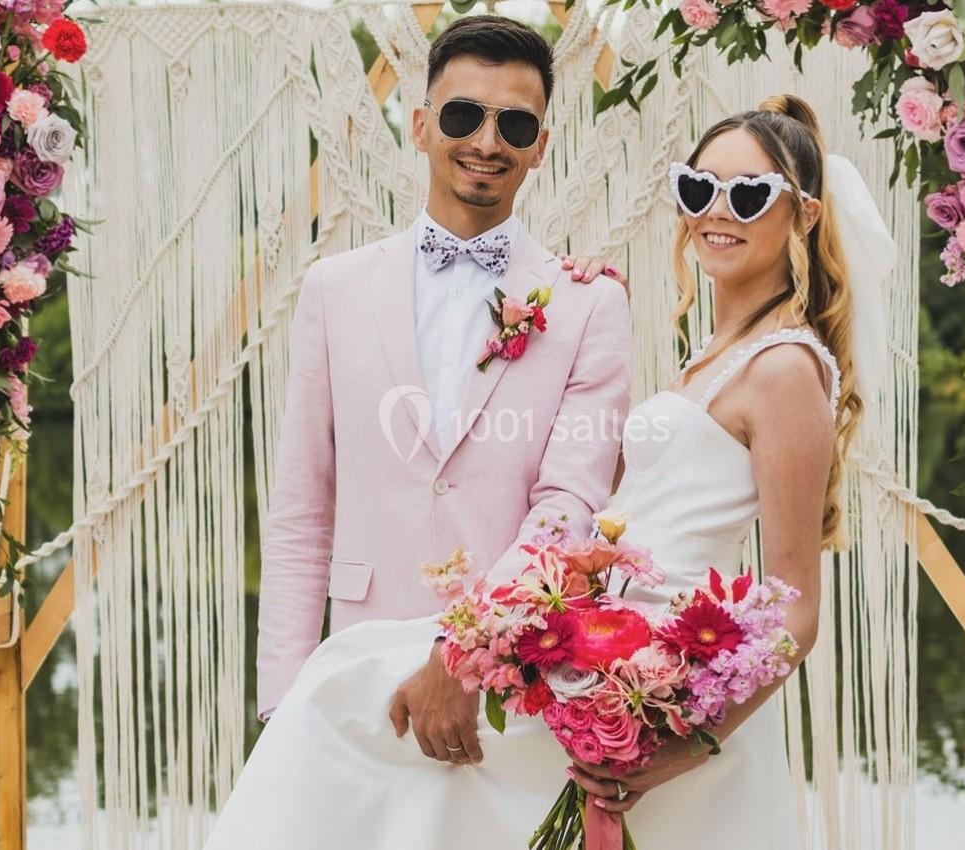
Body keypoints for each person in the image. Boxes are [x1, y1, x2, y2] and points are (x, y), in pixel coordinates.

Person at [206, 87, 888, 848]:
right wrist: (567, 296)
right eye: (699, 189)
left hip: (665, 680)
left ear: (805, 215)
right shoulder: (717, 355)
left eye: (750, 194)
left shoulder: (785, 367)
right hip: (605, 647)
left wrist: (681, 745)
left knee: (349, 698)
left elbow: (795, 612)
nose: (717, 212)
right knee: (360, 692)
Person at [255, 11, 632, 771]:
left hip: (514, 691)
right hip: (353, 680)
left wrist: (465, 651)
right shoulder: (333, 289)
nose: (487, 142)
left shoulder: (589, 303)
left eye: (514, 125)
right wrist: (282, 704)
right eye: (463, 115)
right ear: (422, 125)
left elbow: (569, 505)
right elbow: (301, 512)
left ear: (541, 147)